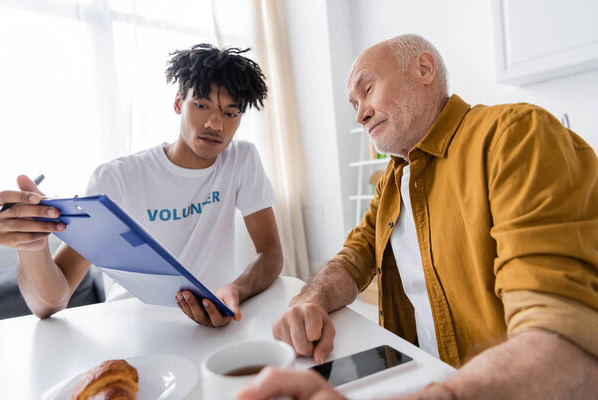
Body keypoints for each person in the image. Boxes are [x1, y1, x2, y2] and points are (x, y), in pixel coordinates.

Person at [238, 34, 598, 399]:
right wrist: (309, 300)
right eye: (354, 103)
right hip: (426, 372)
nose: (359, 113)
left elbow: (564, 342)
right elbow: (355, 257)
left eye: (368, 89)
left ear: (424, 69)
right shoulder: (393, 180)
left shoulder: (514, 136)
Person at [0, 44, 283, 328]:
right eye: (201, 105)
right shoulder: (118, 179)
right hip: (132, 331)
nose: (215, 124)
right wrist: (32, 249)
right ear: (178, 103)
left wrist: (235, 289)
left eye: (230, 113)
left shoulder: (241, 159)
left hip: (212, 327)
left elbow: (270, 253)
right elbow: (50, 303)